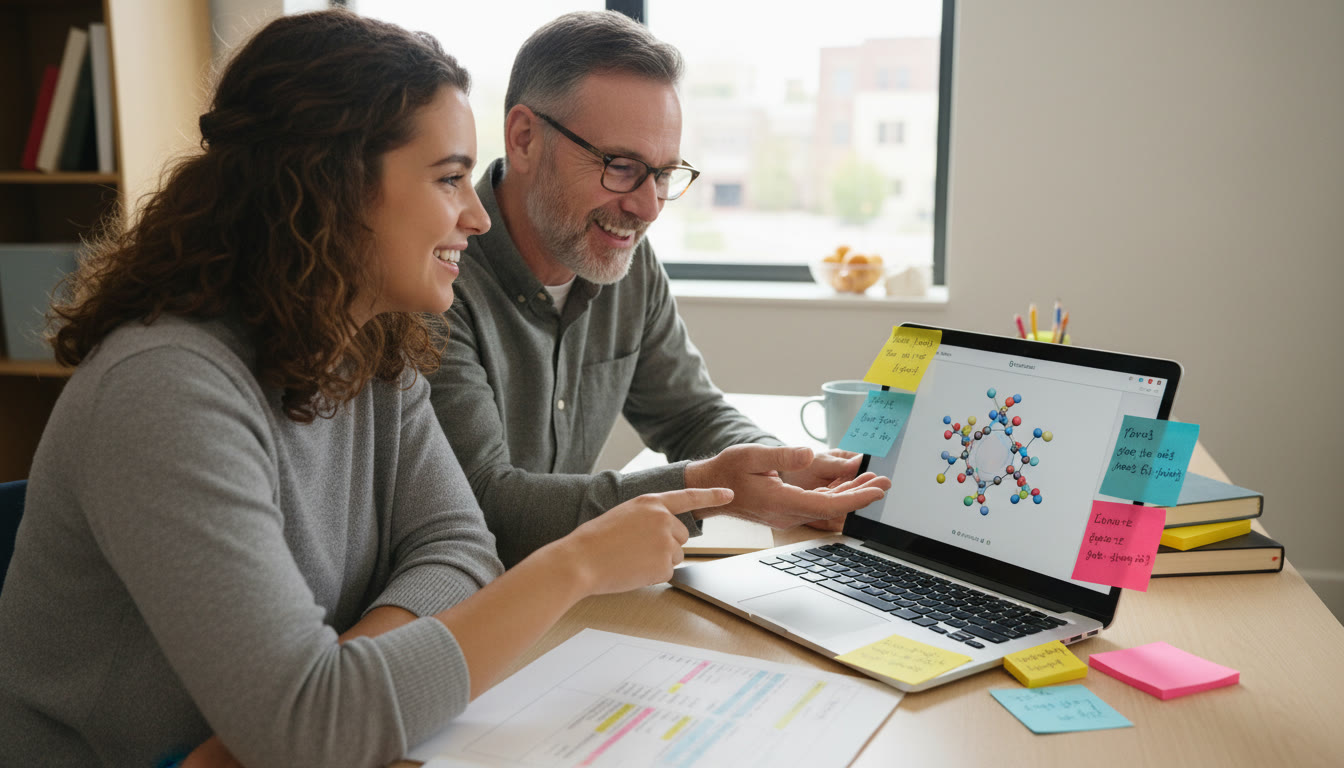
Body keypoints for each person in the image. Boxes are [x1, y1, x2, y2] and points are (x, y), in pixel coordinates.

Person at [0, 10, 736, 768]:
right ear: (333, 188)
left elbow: (459, 549)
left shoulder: (371, 347)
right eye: (449, 178)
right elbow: (312, 733)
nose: (477, 215)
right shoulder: (164, 390)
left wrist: (341, 687)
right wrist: (575, 565)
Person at [427, 10, 892, 567]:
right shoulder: (435, 281)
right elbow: (487, 507)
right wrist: (703, 487)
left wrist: (780, 466)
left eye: (664, 174)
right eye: (621, 166)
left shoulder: (622, 257)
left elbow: (690, 414)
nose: (647, 208)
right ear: (524, 138)